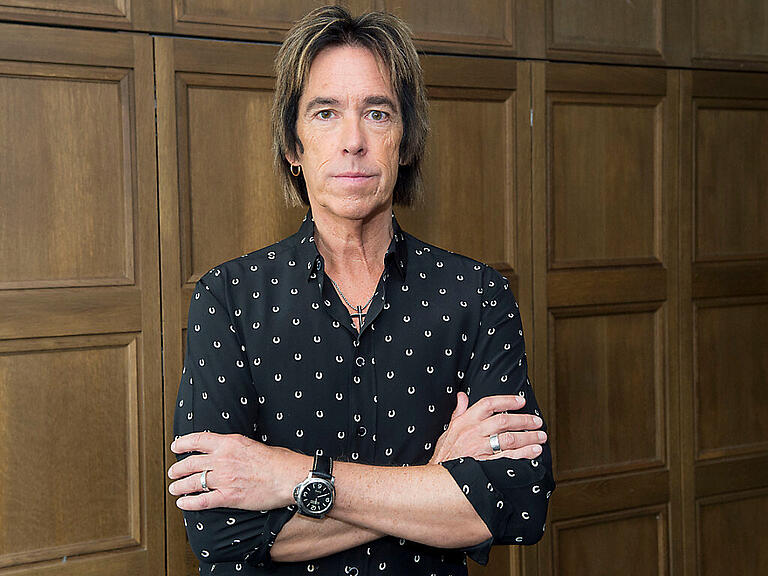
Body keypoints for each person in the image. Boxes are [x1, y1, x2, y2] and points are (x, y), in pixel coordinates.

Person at [168, 6, 554, 575]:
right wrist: (434, 480)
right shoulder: (228, 299)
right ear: (293, 147)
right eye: (325, 113)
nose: (353, 141)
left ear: (405, 142)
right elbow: (221, 535)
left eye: (377, 113)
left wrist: (290, 477)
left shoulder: (476, 295)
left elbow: (513, 502)